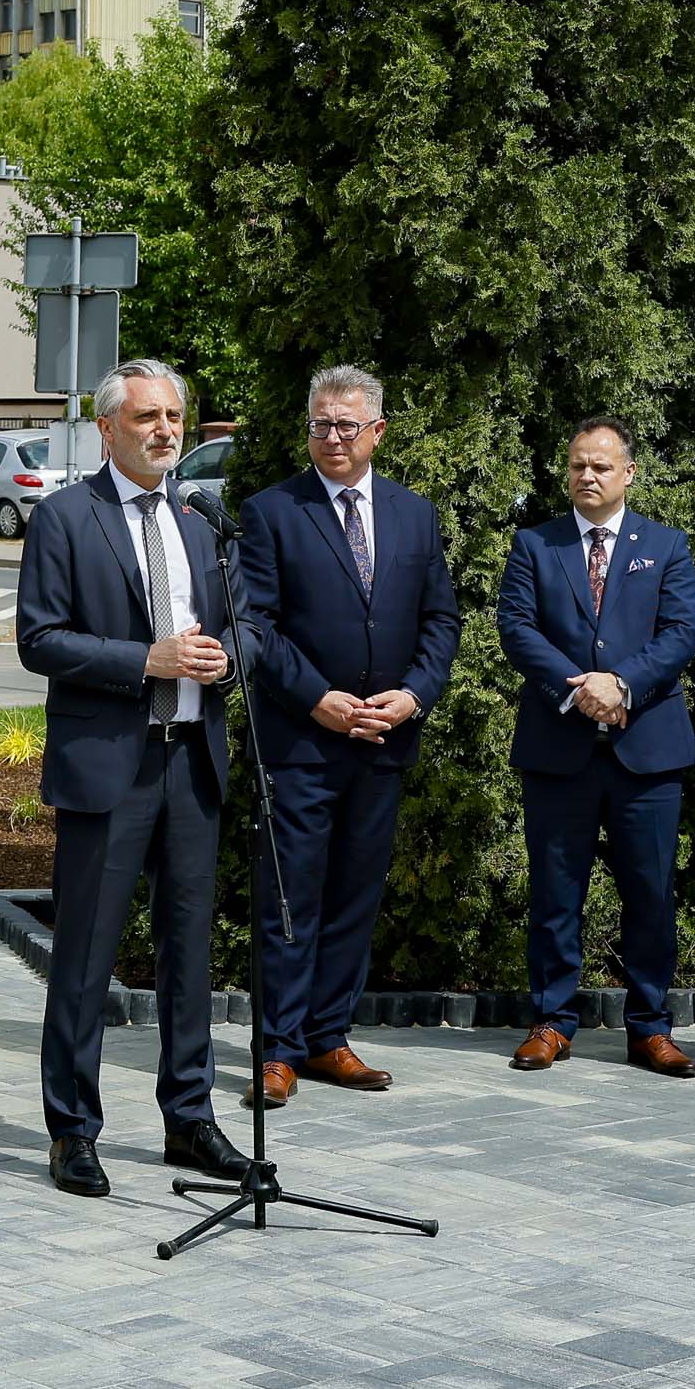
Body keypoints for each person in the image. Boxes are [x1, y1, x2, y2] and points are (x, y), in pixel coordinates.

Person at [18, 358, 252, 1198]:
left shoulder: (202, 520)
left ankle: (190, 1119)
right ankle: (73, 1130)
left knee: (188, 954)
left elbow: (249, 623)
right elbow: (39, 639)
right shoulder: (65, 517)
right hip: (109, 767)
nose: (165, 430)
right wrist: (145, 659)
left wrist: (230, 658)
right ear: (108, 427)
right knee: (84, 954)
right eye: (148, 417)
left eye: (175, 417)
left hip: (192, 760)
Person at [232, 366, 460, 1110]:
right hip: (301, 743)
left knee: (356, 896)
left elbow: (441, 621)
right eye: (320, 424)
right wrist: (318, 699)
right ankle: (277, 1050)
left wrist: (415, 694)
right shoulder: (271, 512)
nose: (331, 437)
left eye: (346, 425)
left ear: (378, 432)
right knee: (289, 899)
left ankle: (329, 1037)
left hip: (383, 743)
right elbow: (254, 625)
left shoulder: (415, 516)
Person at [495, 418, 695, 1076]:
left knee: (650, 892)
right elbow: (516, 627)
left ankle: (649, 1027)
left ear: (629, 474)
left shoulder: (666, 546)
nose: (589, 476)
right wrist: (578, 688)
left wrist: (622, 685)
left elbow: (680, 632)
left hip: (646, 750)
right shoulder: (535, 544)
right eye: (579, 465)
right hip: (559, 747)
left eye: (602, 467)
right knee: (556, 894)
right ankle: (552, 1021)